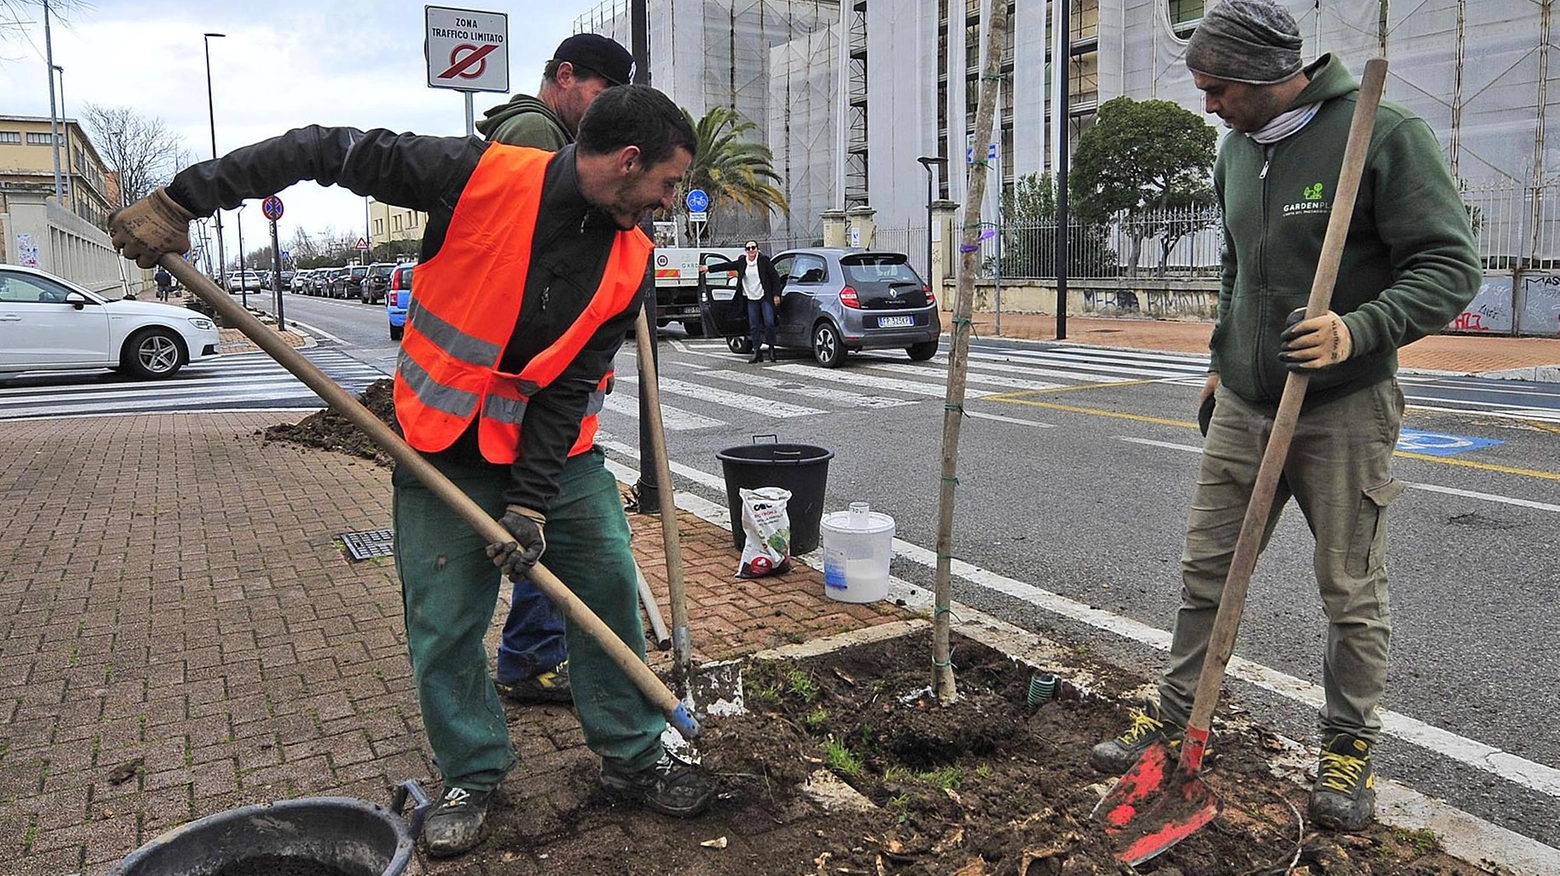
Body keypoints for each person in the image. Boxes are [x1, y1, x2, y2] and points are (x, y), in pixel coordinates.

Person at [108, 84, 713, 859]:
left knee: (607, 601)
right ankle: (472, 773)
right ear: (628, 162)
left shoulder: (630, 259)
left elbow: (565, 389)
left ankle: (633, 757)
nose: (668, 202)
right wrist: (185, 198)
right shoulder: (476, 175)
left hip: (559, 462)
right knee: (443, 623)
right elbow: (322, 149)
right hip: (442, 451)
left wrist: (530, 505)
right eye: (667, 183)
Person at [1086, 0, 1479, 834]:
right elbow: (1236, 268)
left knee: (1350, 590)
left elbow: (1450, 265)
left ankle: (1346, 749)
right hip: (1244, 403)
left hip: (1344, 406)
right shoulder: (1235, 151)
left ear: (1268, 77)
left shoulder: (1381, 135)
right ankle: (1176, 716)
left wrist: (1355, 329)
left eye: (1218, 85)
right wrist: (1220, 360)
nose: (1207, 104)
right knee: (1206, 573)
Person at [471, 32, 637, 708]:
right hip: (522, 400)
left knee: (549, 529)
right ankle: (531, 660)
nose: (601, 117)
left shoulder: (536, 131)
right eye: (599, 97)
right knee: (550, 531)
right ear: (564, 77)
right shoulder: (538, 135)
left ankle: (532, 656)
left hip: (534, 394)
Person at [700, 240, 781, 362]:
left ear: (757, 249)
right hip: (750, 298)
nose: (751, 251)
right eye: (748, 248)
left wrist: (776, 295)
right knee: (753, 326)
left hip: (765, 296)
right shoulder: (743, 262)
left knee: (769, 322)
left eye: (753, 248)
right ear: (746, 251)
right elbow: (727, 266)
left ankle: (771, 349)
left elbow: (775, 277)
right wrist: (708, 268)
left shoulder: (764, 261)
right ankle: (757, 352)